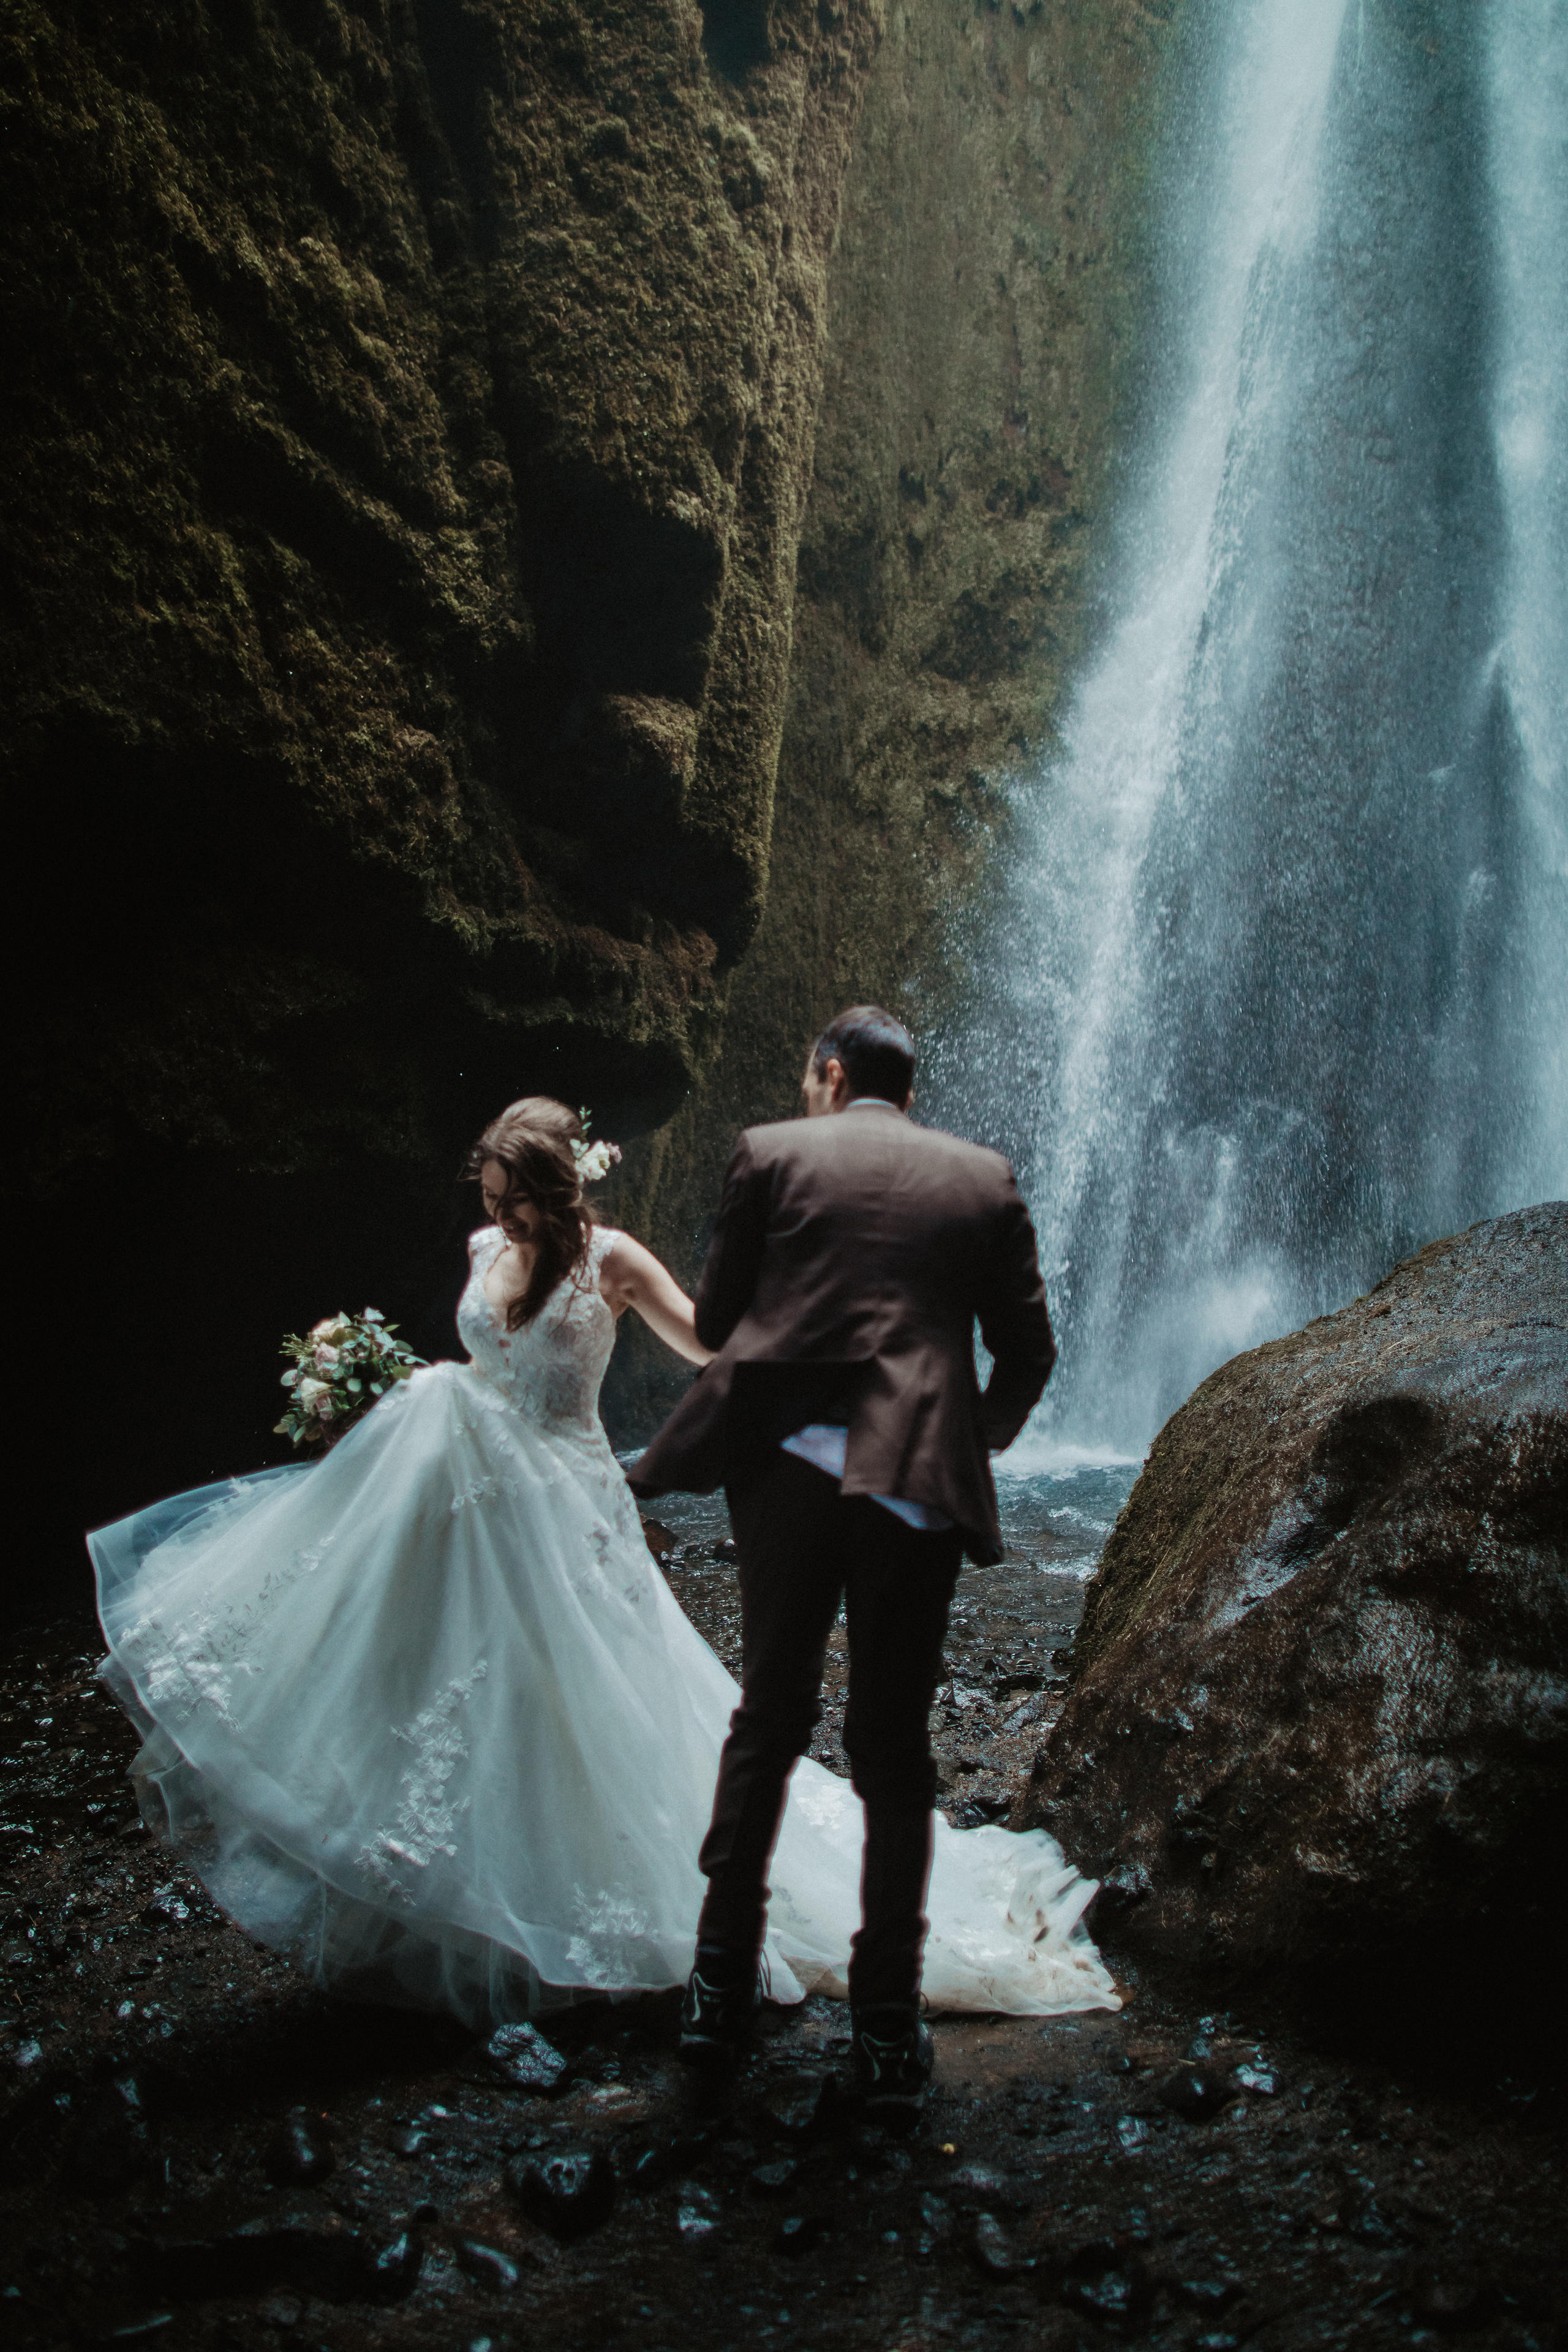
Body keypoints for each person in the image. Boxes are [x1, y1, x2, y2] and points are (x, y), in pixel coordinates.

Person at [89, 1093, 1115, 2038]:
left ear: (557, 1190)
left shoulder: (613, 1260)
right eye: (492, 1203)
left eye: (517, 1202)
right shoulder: (486, 1243)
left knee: (595, 1703)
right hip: (467, 1492)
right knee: (445, 1679)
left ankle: (607, 1903)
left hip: (566, 1502)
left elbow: (714, 1345)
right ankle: (437, 1890)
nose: (504, 1220)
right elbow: (484, 1355)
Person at [630, 1008, 1061, 2118]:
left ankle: (718, 1985)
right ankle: (885, 2019)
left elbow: (722, 1320)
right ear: (905, 1091)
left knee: (768, 1716)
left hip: (784, 1474)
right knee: (894, 1739)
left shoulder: (770, 1152)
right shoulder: (982, 1175)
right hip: (914, 1478)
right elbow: (1028, 1352)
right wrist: (970, 1435)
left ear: (829, 1074)